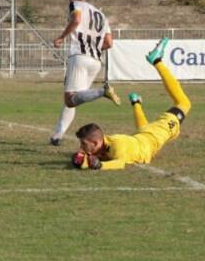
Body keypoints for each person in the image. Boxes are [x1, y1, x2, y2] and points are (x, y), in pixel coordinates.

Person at [72, 37, 189, 171]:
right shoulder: (102, 144)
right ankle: (136, 102)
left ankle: (157, 61)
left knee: (184, 103)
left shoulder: (117, 146)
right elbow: (93, 158)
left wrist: (100, 165)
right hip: (144, 136)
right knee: (147, 130)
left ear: (95, 143)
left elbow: (119, 163)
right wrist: (80, 161)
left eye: (83, 143)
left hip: (155, 135)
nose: (81, 147)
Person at [49, 0, 120, 145]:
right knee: (74, 99)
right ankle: (57, 136)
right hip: (95, 61)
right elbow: (109, 43)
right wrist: (93, 47)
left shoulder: (76, 4)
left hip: (79, 57)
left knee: (70, 99)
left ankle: (103, 92)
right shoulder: (101, 15)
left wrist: (61, 37)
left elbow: (76, 20)